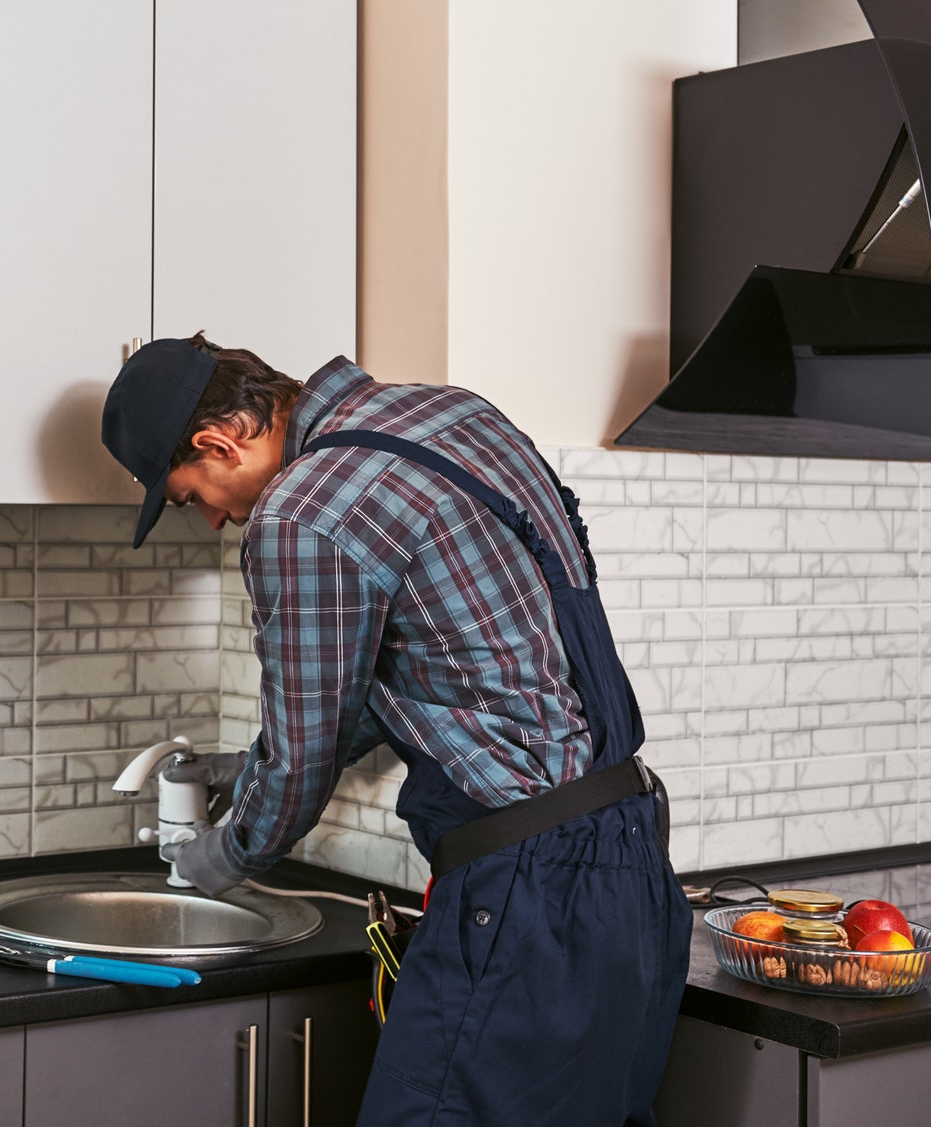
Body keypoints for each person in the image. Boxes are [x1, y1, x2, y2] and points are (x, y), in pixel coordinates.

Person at [100, 335, 690, 1127]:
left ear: (218, 442)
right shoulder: (453, 414)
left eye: (191, 494)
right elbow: (463, 666)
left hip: (527, 893)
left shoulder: (300, 511)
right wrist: (245, 767)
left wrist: (214, 858)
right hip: (635, 860)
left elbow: (303, 764)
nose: (212, 518)